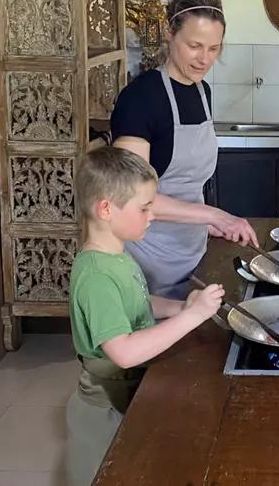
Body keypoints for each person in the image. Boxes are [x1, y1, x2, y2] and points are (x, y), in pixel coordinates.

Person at [65, 147, 225, 486]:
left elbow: (138, 301)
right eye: (144, 208)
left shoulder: (115, 255)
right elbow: (124, 352)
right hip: (104, 408)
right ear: (106, 209)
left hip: (128, 394)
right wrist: (192, 316)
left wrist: (180, 307)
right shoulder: (96, 275)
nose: (152, 216)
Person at [110, 0, 258, 300]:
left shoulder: (203, 92)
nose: (204, 58)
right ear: (169, 34)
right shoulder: (140, 99)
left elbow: (190, 184)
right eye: (194, 46)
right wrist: (212, 215)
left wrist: (206, 223)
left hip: (193, 251)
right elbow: (130, 195)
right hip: (147, 259)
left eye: (214, 48)